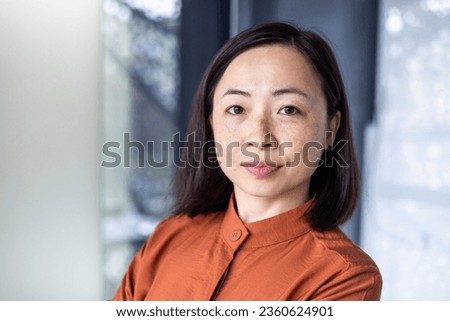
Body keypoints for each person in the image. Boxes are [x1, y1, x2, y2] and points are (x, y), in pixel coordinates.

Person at [113, 22, 382, 301]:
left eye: (288, 109)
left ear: (330, 129)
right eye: (236, 108)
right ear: (211, 122)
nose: (258, 137)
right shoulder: (169, 237)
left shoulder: (345, 277)